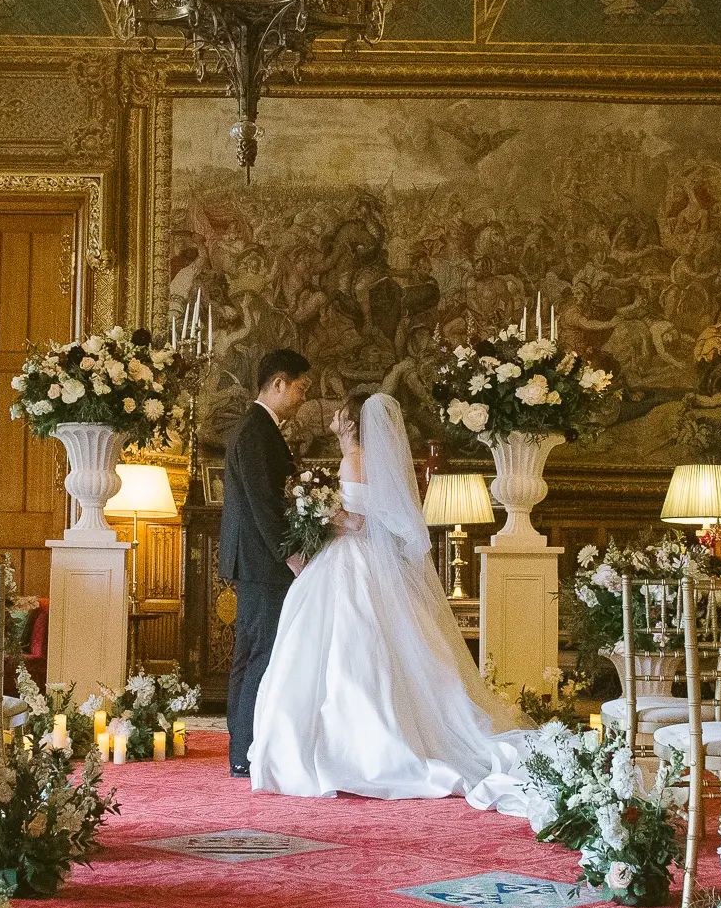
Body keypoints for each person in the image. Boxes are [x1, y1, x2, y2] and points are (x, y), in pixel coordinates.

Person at [249, 390, 530, 814]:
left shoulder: (352, 460)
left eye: (339, 412)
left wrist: (321, 513)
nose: (333, 416)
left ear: (348, 421)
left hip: (348, 561)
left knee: (341, 648)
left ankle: (350, 747)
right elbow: (376, 517)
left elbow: (358, 520)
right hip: (367, 562)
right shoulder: (369, 460)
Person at [219, 348, 311, 777]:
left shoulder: (259, 428)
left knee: (252, 655)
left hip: (255, 560)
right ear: (278, 383)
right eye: (300, 387)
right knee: (260, 656)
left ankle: (244, 748)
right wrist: (290, 553)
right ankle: (245, 751)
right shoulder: (257, 431)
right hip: (261, 563)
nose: (302, 397)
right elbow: (263, 503)